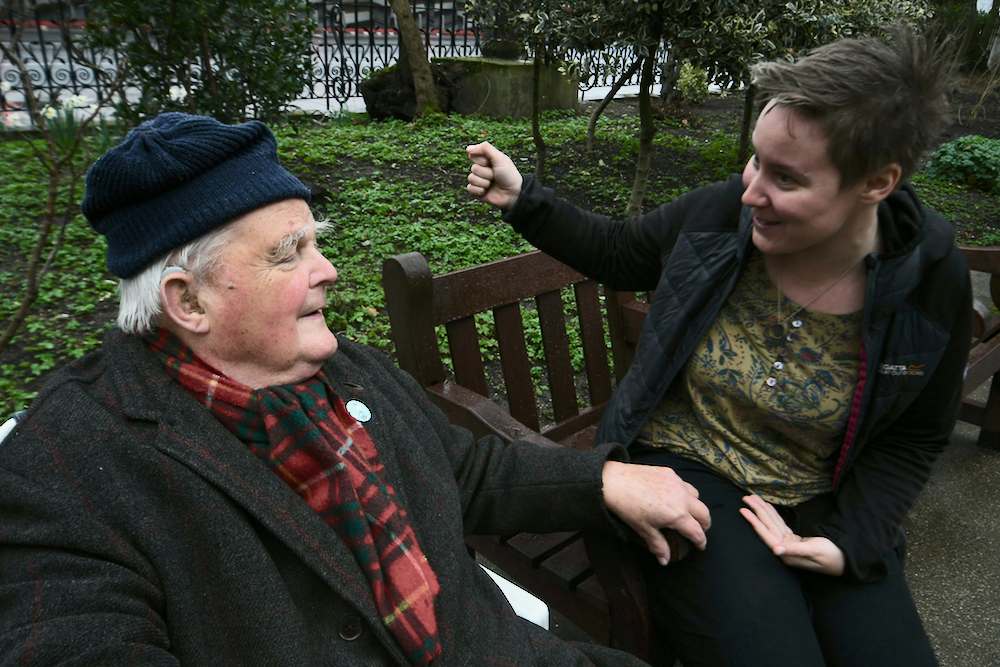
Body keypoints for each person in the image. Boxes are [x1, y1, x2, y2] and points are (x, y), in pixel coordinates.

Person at [0, 112, 712, 666]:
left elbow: (462, 469)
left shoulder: (347, 369)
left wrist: (602, 479)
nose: (330, 270)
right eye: (291, 253)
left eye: (316, 240)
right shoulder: (64, 468)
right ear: (189, 302)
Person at [466, 26, 971, 667]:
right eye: (756, 160)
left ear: (876, 183)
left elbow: (916, 436)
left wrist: (852, 542)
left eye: (786, 178)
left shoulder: (930, 279)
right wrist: (524, 199)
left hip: (824, 494)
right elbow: (619, 253)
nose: (751, 191)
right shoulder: (719, 215)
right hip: (688, 474)